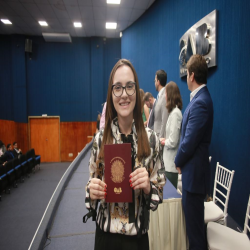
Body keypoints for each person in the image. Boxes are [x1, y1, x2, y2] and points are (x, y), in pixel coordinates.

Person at [84, 59, 166, 250]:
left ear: (136, 90)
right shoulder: (99, 141)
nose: (124, 94)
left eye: (129, 86)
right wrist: (91, 191)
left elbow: (158, 195)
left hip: (137, 240)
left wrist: (148, 187)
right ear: (111, 93)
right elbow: (90, 190)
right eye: (118, 88)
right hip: (106, 239)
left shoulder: (152, 140)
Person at [175, 55, 214, 250]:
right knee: (193, 232)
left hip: (194, 180)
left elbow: (188, 142)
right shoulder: (200, 99)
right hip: (193, 177)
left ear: (191, 75)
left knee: (196, 237)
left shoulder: (200, 102)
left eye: (186, 74)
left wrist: (177, 160)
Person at [160, 81, 183, 189]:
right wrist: (165, 139)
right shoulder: (173, 113)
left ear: (170, 95)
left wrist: (164, 141)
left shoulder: (176, 114)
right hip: (167, 164)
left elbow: (173, 141)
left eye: (165, 93)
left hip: (171, 165)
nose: (164, 96)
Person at [154, 70, 169, 138]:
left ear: (158, 82)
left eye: (155, 81)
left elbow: (164, 120)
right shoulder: (160, 96)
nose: (154, 83)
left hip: (160, 138)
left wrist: (160, 139)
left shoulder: (164, 97)